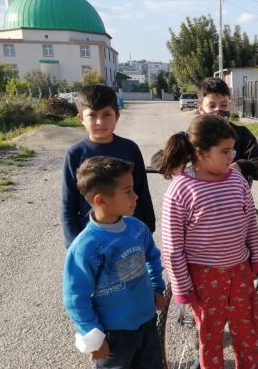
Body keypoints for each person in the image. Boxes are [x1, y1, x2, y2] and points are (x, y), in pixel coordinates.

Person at [160, 114, 258, 369]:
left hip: (240, 273)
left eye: (233, 151)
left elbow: (250, 221)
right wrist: (182, 288)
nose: (232, 158)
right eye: (225, 151)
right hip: (203, 279)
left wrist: (257, 259)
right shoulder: (181, 190)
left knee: (248, 333)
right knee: (210, 339)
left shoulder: (237, 179)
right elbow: (173, 248)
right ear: (201, 153)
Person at [62, 156, 166, 368]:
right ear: (101, 200)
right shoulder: (85, 248)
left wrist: (157, 287)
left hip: (147, 323)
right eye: (127, 191)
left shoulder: (137, 228)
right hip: (113, 335)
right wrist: (93, 336)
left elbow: (152, 257)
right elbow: (75, 297)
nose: (136, 197)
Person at [61, 85, 155, 248]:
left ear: (117, 116)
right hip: (92, 239)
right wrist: (74, 243)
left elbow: (142, 191)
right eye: (92, 115)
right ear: (80, 119)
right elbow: (68, 204)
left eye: (106, 114)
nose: (100, 122)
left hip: (130, 235)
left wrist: (148, 228)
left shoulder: (129, 148)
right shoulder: (75, 154)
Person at [148, 77, 258, 183]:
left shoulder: (242, 134)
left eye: (224, 105)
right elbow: (157, 160)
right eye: (212, 106)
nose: (218, 110)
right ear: (200, 109)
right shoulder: (194, 136)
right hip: (200, 202)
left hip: (235, 200)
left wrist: (240, 166)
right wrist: (176, 163)